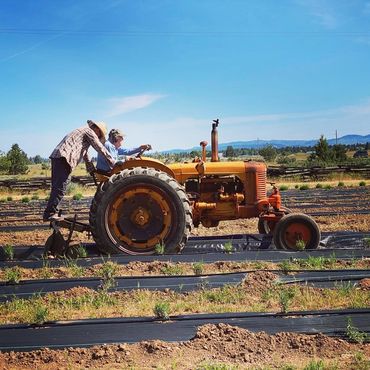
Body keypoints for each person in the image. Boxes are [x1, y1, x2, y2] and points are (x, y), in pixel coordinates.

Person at [43, 120, 116, 222]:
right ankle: (50, 213)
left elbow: (85, 154)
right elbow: (99, 147)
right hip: (63, 158)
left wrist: (91, 169)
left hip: (58, 157)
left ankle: (51, 211)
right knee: (60, 187)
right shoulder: (89, 131)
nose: (98, 136)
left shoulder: (82, 133)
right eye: (99, 134)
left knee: (60, 185)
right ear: (97, 129)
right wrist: (113, 163)